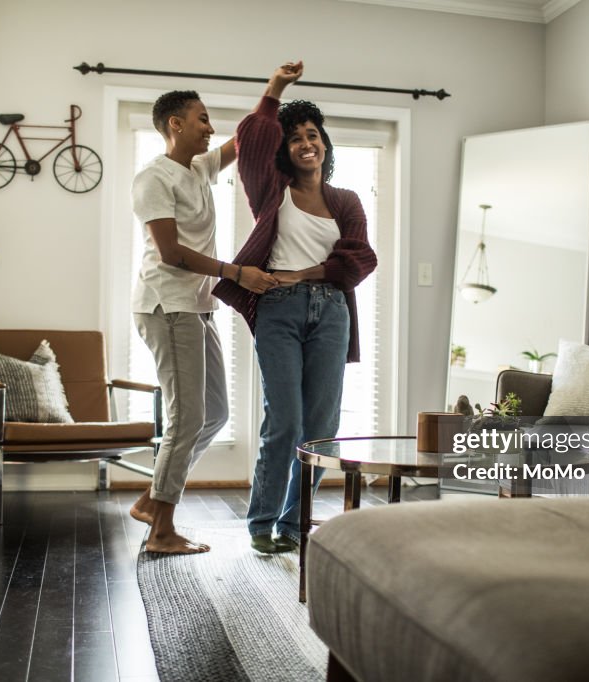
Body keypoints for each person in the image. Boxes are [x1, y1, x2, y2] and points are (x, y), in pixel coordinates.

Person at [214, 62, 378, 553]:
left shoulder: (345, 200)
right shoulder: (272, 192)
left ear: (324, 144)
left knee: (322, 427)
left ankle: (293, 524)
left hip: (331, 313)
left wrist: (305, 274)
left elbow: (358, 261)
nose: (306, 143)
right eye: (295, 138)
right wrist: (276, 89)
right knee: (283, 420)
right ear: (285, 151)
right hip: (278, 312)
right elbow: (252, 139)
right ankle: (261, 521)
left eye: (313, 135)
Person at [129, 90, 277, 554]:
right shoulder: (154, 178)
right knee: (187, 417)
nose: (210, 128)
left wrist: (274, 90)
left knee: (214, 414)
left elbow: (243, 141)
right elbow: (171, 254)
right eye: (202, 119)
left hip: (196, 307)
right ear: (175, 124)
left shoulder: (197, 168)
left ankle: (153, 499)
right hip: (167, 305)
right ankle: (162, 532)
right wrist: (235, 273)